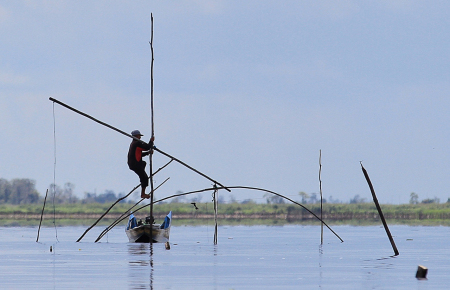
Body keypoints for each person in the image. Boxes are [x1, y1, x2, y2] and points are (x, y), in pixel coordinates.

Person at [127, 130, 155, 199]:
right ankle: (143, 194)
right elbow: (147, 147)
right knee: (144, 177)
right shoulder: (136, 143)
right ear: (136, 136)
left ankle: (142, 175)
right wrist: (151, 141)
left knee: (143, 163)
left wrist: (148, 153)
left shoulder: (133, 144)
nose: (140, 137)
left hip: (135, 164)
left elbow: (139, 154)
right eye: (139, 136)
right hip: (135, 164)